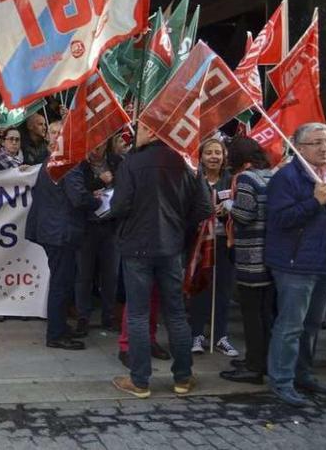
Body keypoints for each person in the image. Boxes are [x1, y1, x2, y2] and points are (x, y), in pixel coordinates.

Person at [108, 123, 211, 398]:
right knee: (176, 313)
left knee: (139, 314)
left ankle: (140, 381)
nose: (135, 134)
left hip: (137, 246)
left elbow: (118, 206)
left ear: (152, 132)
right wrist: (178, 225)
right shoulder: (189, 161)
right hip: (171, 247)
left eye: (140, 129)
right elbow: (204, 208)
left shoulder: (132, 163)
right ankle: (183, 378)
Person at [264, 122, 326, 406]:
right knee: (291, 326)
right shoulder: (286, 178)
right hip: (294, 264)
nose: (324, 148)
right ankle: (281, 381)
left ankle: (303, 375)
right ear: (300, 148)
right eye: (316, 143)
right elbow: (279, 219)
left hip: (323, 263)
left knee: (312, 325)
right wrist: (314, 202)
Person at [26, 163, 101, 350]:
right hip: (61, 232)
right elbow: (78, 197)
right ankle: (56, 334)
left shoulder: (53, 160)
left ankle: (59, 326)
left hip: (52, 229)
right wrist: (96, 200)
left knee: (62, 281)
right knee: (61, 284)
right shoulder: (70, 164)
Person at [220, 136, 275, 385]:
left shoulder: (245, 178)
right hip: (269, 253)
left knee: (251, 314)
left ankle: (253, 366)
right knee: (265, 312)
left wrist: (228, 206)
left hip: (250, 254)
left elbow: (245, 213)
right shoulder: (270, 175)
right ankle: (261, 359)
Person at [190, 138, 239, 357]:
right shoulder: (193, 179)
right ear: (201, 157)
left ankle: (220, 335)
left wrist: (228, 208)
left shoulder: (232, 180)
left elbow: (243, 205)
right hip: (199, 244)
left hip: (224, 243)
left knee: (223, 291)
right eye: (208, 152)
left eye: (217, 152)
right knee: (200, 290)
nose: (213, 156)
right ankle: (196, 334)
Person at [74, 141, 122, 336]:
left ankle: (109, 316)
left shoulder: (117, 162)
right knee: (84, 275)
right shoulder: (79, 164)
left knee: (111, 275)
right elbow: (78, 194)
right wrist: (99, 182)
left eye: (101, 143)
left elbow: (126, 187)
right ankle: (83, 317)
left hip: (110, 226)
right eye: (93, 142)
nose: (97, 147)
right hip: (87, 226)